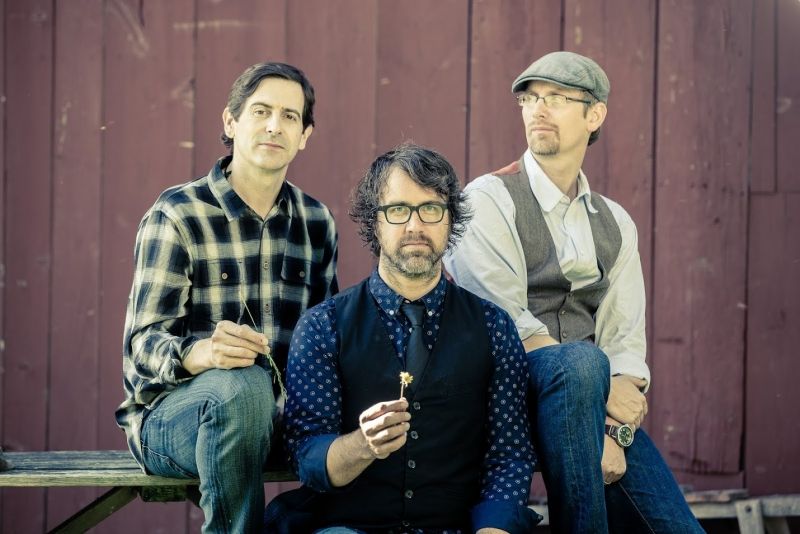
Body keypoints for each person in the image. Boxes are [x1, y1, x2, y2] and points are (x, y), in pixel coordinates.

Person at [444, 52, 704, 533]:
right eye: (530, 98)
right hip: (503, 393)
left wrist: (611, 429)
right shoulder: (486, 199)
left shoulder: (615, 222)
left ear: (595, 114)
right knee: (581, 362)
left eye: (558, 98)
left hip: (594, 405)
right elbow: (504, 321)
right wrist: (597, 398)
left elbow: (624, 339)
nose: (538, 109)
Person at [270, 144, 541, 533]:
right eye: (398, 210)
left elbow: (509, 455)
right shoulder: (322, 326)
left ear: (450, 219)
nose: (415, 226)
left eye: (431, 209)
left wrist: (492, 530)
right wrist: (362, 445)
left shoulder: (493, 327)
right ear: (374, 223)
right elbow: (307, 457)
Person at [115, 62, 338, 533]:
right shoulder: (177, 214)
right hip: (171, 423)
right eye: (260, 111)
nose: (274, 125)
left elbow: (325, 341)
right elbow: (141, 347)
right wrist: (203, 354)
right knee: (243, 386)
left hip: (280, 424)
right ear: (231, 122)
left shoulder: (317, 221)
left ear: (305, 136)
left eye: (290, 116)